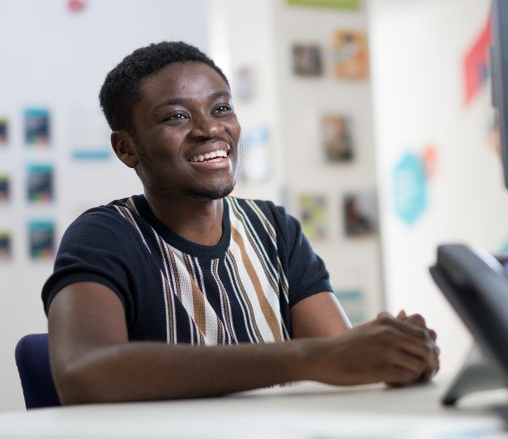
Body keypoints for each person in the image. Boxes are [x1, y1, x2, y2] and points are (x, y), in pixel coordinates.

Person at [42, 41, 439, 405]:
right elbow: (82, 375)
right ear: (126, 147)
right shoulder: (105, 236)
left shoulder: (273, 228)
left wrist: (392, 357)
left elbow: (340, 360)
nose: (210, 129)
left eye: (221, 108)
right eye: (176, 116)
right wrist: (304, 357)